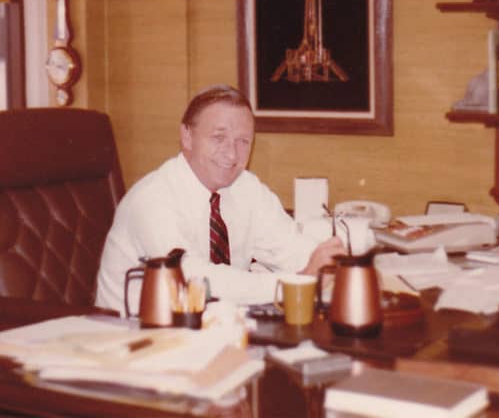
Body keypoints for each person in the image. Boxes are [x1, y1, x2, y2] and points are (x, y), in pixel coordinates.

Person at [96, 84, 345, 315]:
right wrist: (295, 283)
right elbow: (194, 278)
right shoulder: (152, 199)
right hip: (132, 338)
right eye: (218, 137)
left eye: (243, 141)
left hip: (211, 332)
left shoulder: (246, 187)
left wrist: (331, 265)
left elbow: (289, 246)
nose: (231, 153)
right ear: (187, 136)